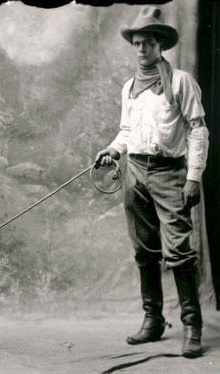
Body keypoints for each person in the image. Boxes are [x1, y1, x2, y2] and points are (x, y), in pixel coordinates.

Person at [95, 6, 209, 358]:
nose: (142, 50)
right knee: (145, 251)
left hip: (171, 173)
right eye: (137, 43)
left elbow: (198, 129)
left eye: (148, 43)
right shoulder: (130, 86)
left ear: (161, 45)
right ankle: (153, 320)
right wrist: (112, 151)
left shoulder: (181, 82)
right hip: (135, 173)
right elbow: (127, 132)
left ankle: (192, 326)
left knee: (179, 251)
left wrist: (192, 177)